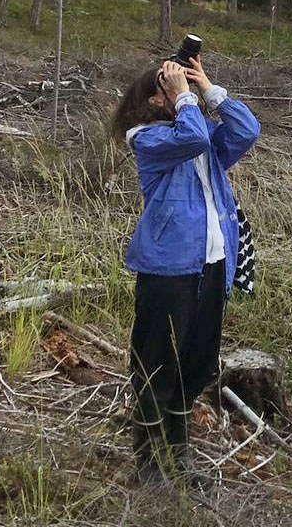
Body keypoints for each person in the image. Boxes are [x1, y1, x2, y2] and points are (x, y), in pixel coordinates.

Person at [110, 54, 260, 487]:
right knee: (156, 365)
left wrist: (208, 89)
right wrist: (186, 100)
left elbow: (247, 131)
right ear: (155, 101)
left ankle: (178, 458)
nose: (180, 91)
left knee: (194, 366)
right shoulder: (147, 140)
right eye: (169, 87)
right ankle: (150, 464)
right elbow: (192, 138)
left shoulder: (199, 134)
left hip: (212, 266)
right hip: (168, 269)